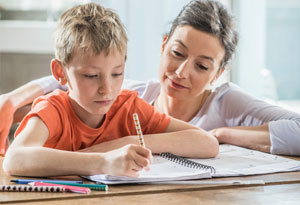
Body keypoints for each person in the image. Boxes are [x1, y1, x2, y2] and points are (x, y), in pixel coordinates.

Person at [1, 0, 300, 156]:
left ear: (219, 73)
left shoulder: (227, 102)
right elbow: (73, 79)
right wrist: (13, 99)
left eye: (202, 66)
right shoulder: (136, 96)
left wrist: (221, 134)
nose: (181, 72)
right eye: (177, 53)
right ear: (163, 45)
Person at [2, 3, 218, 177]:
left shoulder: (129, 107)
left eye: (116, 74)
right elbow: (14, 160)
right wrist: (104, 161)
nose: (107, 89)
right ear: (60, 72)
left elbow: (208, 143)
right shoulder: (53, 110)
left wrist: (127, 142)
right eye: (91, 76)